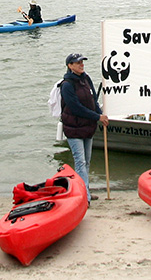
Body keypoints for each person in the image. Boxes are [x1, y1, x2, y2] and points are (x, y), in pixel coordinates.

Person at [59, 53, 106, 200]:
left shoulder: (86, 79)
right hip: (73, 128)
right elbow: (76, 108)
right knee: (80, 161)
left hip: (88, 127)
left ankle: (85, 190)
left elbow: (93, 100)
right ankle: (84, 196)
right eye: (77, 62)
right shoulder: (66, 85)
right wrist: (97, 117)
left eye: (82, 62)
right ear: (70, 66)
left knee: (87, 161)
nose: (81, 64)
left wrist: (100, 114)